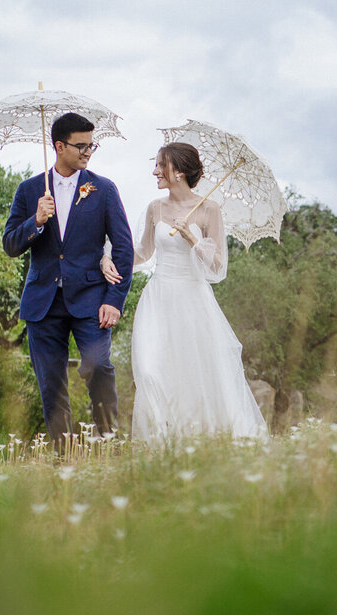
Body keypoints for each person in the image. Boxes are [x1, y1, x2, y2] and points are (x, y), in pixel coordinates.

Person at [101, 142, 267, 445]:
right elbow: (143, 252)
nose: (155, 171)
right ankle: (158, 443)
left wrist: (193, 238)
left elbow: (218, 268)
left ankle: (195, 443)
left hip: (193, 300)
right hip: (158, 298)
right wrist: (108, 257)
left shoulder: (208, 209)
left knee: (195, 373)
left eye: (160, 165)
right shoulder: (155, 208)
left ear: (178, 171)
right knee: (150, 371)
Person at [3, 112, 134, 446]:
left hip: (92, 300)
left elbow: (123, 248)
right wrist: (36, 220)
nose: (88, 152)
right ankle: (64, 453)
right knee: (50, 382)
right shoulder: (29, 189)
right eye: (81, 146)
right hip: (42, 303)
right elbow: (10, 245)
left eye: (92, 146)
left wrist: (113, 301)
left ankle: (107, 442)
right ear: (59, 146)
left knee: (98, 367)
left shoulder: (103, 189)